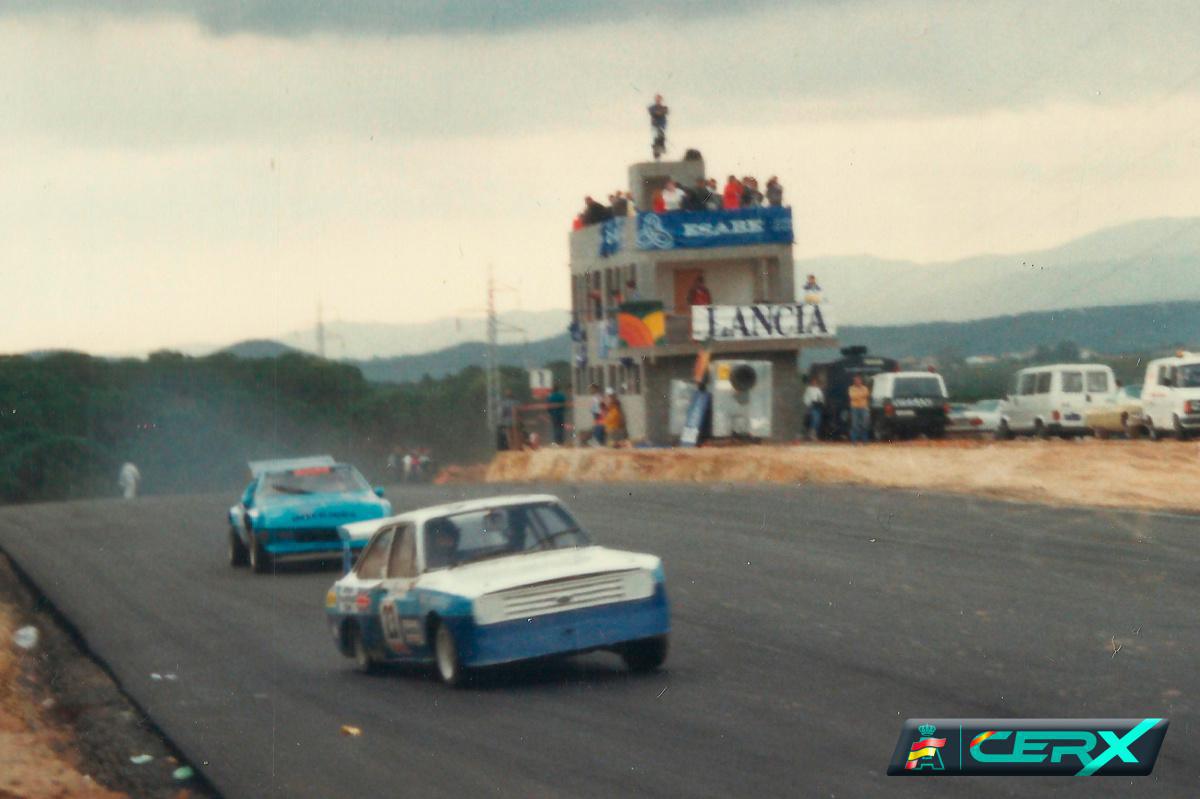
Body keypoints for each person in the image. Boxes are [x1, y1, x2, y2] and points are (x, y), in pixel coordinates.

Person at [848, 375, 870, 444]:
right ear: (854, 382)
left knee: (864, 424)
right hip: (854, 408)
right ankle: (854, 441)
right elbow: (852, 396)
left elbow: (866, 394)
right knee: (854, 424)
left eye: (859, 380)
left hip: (863, 408)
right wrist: (861, 396)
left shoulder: (865, 388)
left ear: (861, 381)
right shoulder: (851, 388)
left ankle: (865, 441)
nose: (857, 382)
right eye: (856, 380)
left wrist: (857, 396)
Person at [803, 376, 825, 441]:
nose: (814, 382)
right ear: (811, 382)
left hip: (818, 406)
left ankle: (813, 434)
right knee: (815, 419)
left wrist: (821, 402)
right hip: (812, 406)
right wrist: (808, 404)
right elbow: (805, 398)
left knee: (818, 420)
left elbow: (821, 398)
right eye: (813, 381)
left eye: (815, 381)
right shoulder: (808, 389)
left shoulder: (818, 389)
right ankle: (811, 434)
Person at [648, 94, 669, 159]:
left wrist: (659, 113)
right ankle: (656, 152)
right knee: (656, 137)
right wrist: (659, 113)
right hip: (655, 125)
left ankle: (661, 149)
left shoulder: (664, 107)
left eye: (659, 99)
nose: (658, 100)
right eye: (657, 99)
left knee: (662, 137)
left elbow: (665, 111)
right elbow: (654, 112)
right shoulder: (652, 107)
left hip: (662, 125)